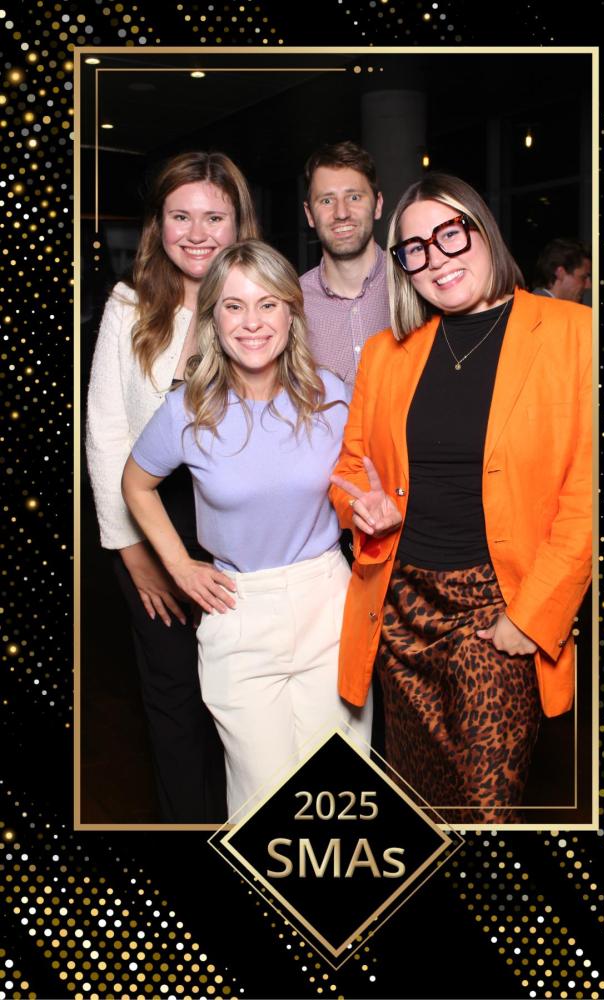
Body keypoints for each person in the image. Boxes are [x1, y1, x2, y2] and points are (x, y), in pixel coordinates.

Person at [330, 173, 592, 824]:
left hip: (497, 612)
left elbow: (585, 498)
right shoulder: (385, 354)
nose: (436, 259)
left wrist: (530, 618)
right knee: (419, 805)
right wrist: (361, 509)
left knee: (484, 812)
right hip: (401, 612)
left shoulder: (575, 334)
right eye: (414, 248)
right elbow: (350, 467)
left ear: (483, 229)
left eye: (450, 234)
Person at [121, 240, 373, 820]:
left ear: (291, 312)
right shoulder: (188, 409)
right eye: (233, 306)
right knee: (264, 802)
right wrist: (179, 566)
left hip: (329, 602)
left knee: (341, 794)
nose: (252, 322)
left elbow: (366, 484)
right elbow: (135, 485)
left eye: (267, 304)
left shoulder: (332, 395)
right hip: (239, 612)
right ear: (214, 319)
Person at [86, 150, 259, 823]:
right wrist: (133, 552)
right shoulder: (128, 305)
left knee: (241, 700)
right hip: (152, 520)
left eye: (214, 217)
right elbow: (105, 432)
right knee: (174, 699)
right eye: (180, 216)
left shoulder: (259, 303)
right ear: (158, 225)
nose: (197, 232)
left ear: (238, 223)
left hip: (241, 530)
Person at [300, 141, 390, 387]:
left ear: (378, 205)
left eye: (354, 197)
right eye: (327, 201)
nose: (342, 213)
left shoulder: (412, 283)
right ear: (309, 215)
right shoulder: (292, 303)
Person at [532, 237, 592, 303]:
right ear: (560, 273)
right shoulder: (540, 307)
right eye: (583, 277)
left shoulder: (535, 303)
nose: (589, 286)